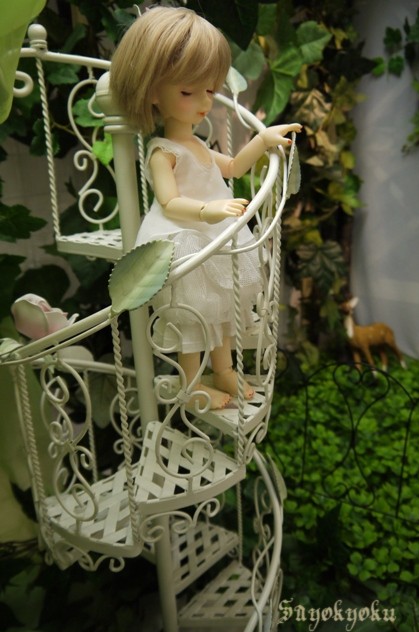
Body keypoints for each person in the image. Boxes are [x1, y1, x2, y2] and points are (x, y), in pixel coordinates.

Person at [110, 6, 301, 410]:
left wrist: (262, 139)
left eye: (210, 92)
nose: (202, 103)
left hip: (211, 235)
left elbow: (231, 167)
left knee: (221, 304)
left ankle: (224, 369)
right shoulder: (164, 151)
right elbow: (169, 201)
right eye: (187, 92)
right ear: (152, 92)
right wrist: (207, 211)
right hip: (185, 235)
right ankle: (190, 383)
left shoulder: (196, 144)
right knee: (192, 311)